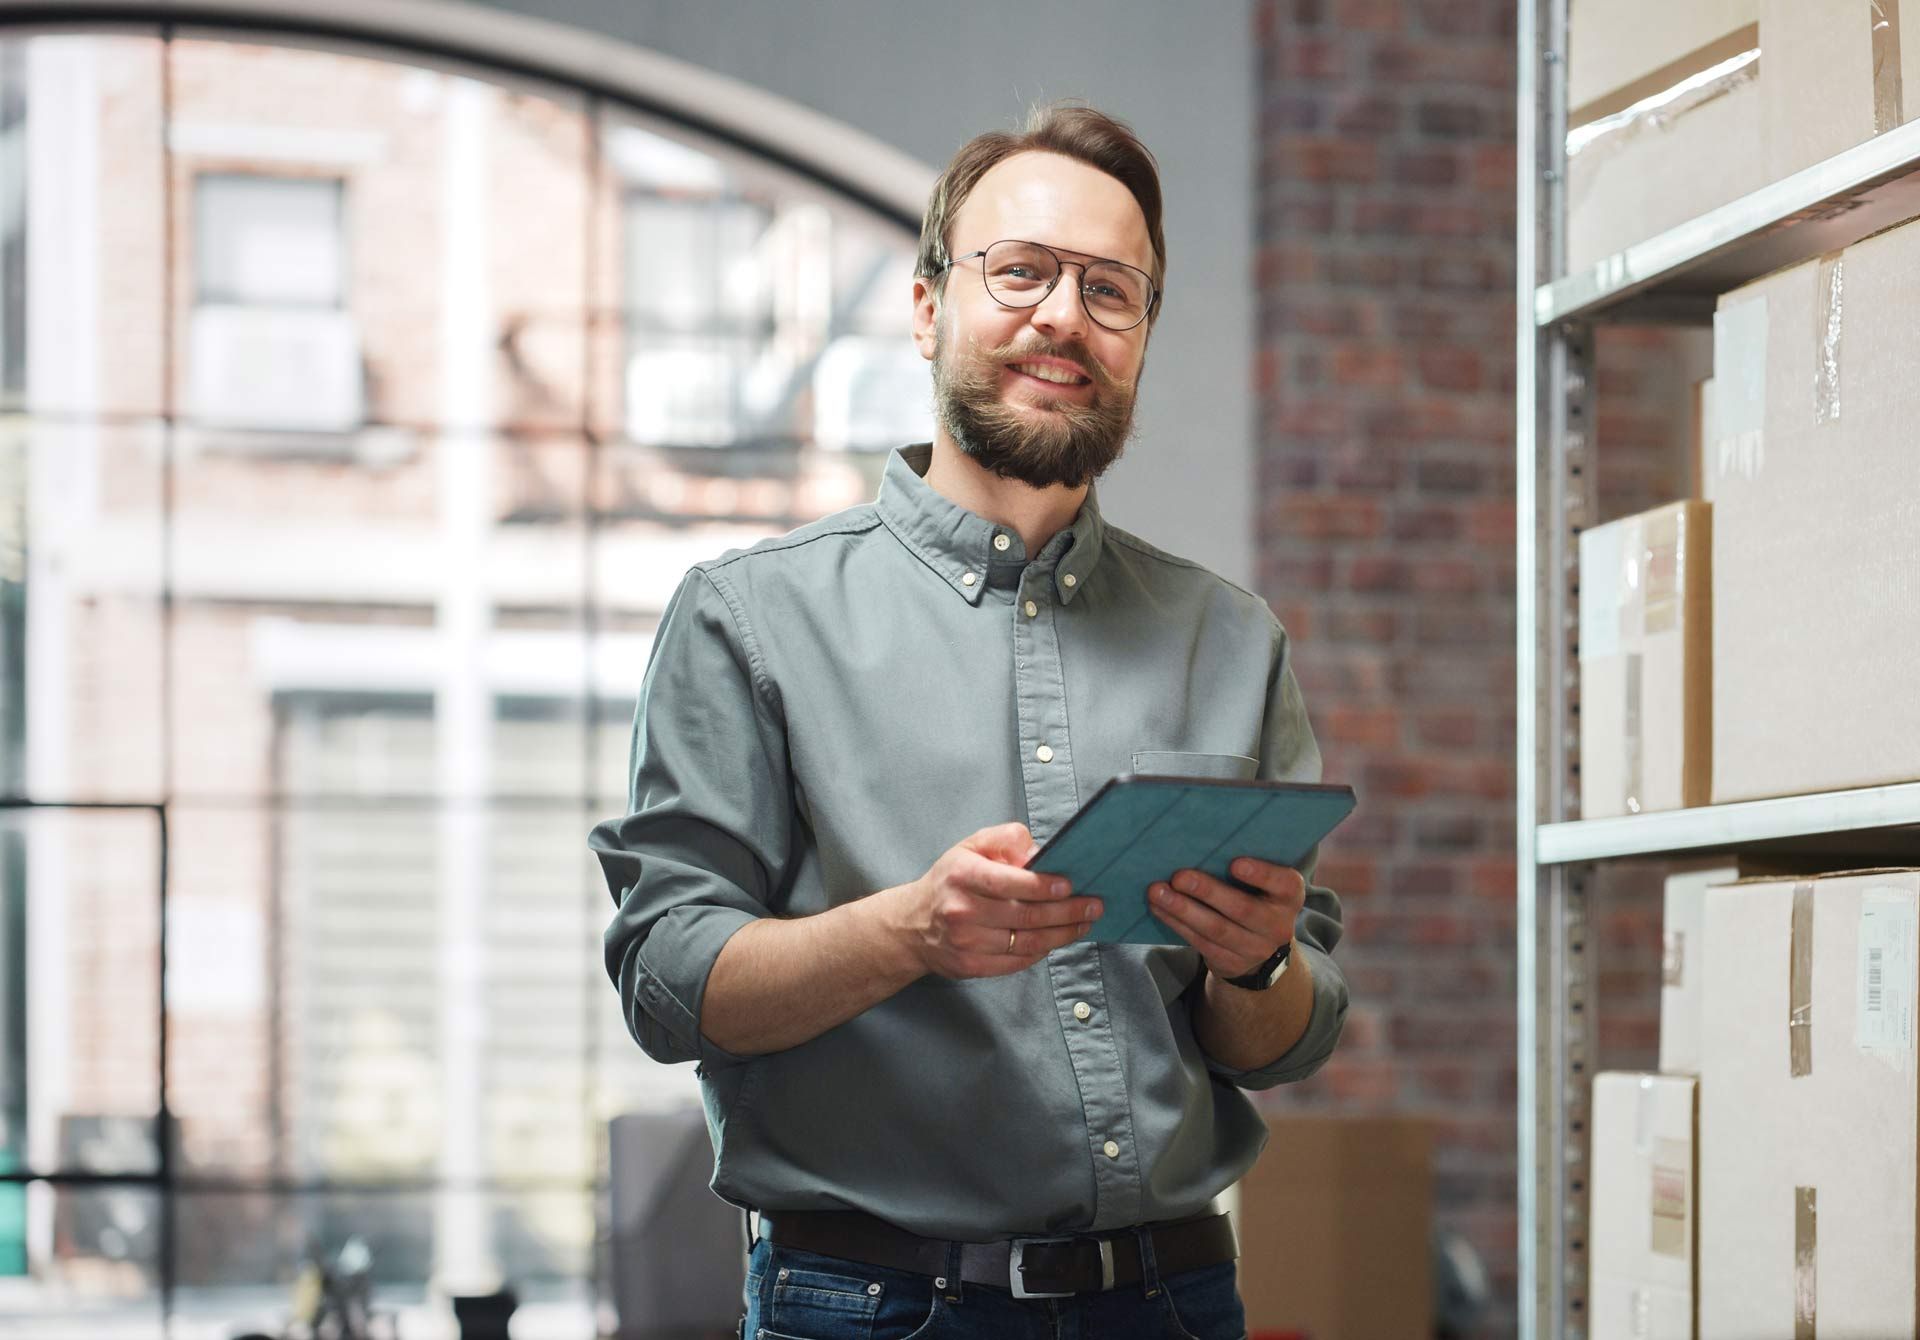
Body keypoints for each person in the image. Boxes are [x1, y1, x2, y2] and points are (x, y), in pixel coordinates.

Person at [593, 103, 1347, 1340]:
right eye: (1023, 272)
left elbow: (1279, 1039)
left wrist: (1255, 958)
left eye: (1113, 290)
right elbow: (668, 983)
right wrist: (908, 930)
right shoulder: (748, 619)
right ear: (930, 304)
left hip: (1173, 1300)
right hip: (871, 1304)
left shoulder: (1232, 638)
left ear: (1144, 336)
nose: (1064, 316)